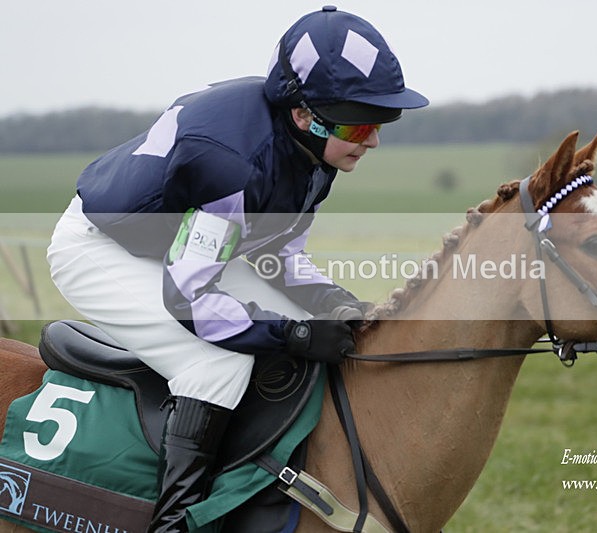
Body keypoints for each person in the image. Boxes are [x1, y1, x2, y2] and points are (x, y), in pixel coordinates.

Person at [46, 6, 428, 532]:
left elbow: (281, 256)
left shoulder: (312, 150)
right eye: (361, 125)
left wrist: (337, 305)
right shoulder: (235, 163)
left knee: (289, 317)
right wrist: (294, 334)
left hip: (178, 247)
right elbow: (190, 301)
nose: (374, 141)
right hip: (98, 249)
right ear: (304, 115)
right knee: (217, 364)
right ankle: (176, 519)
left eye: (383, 123)